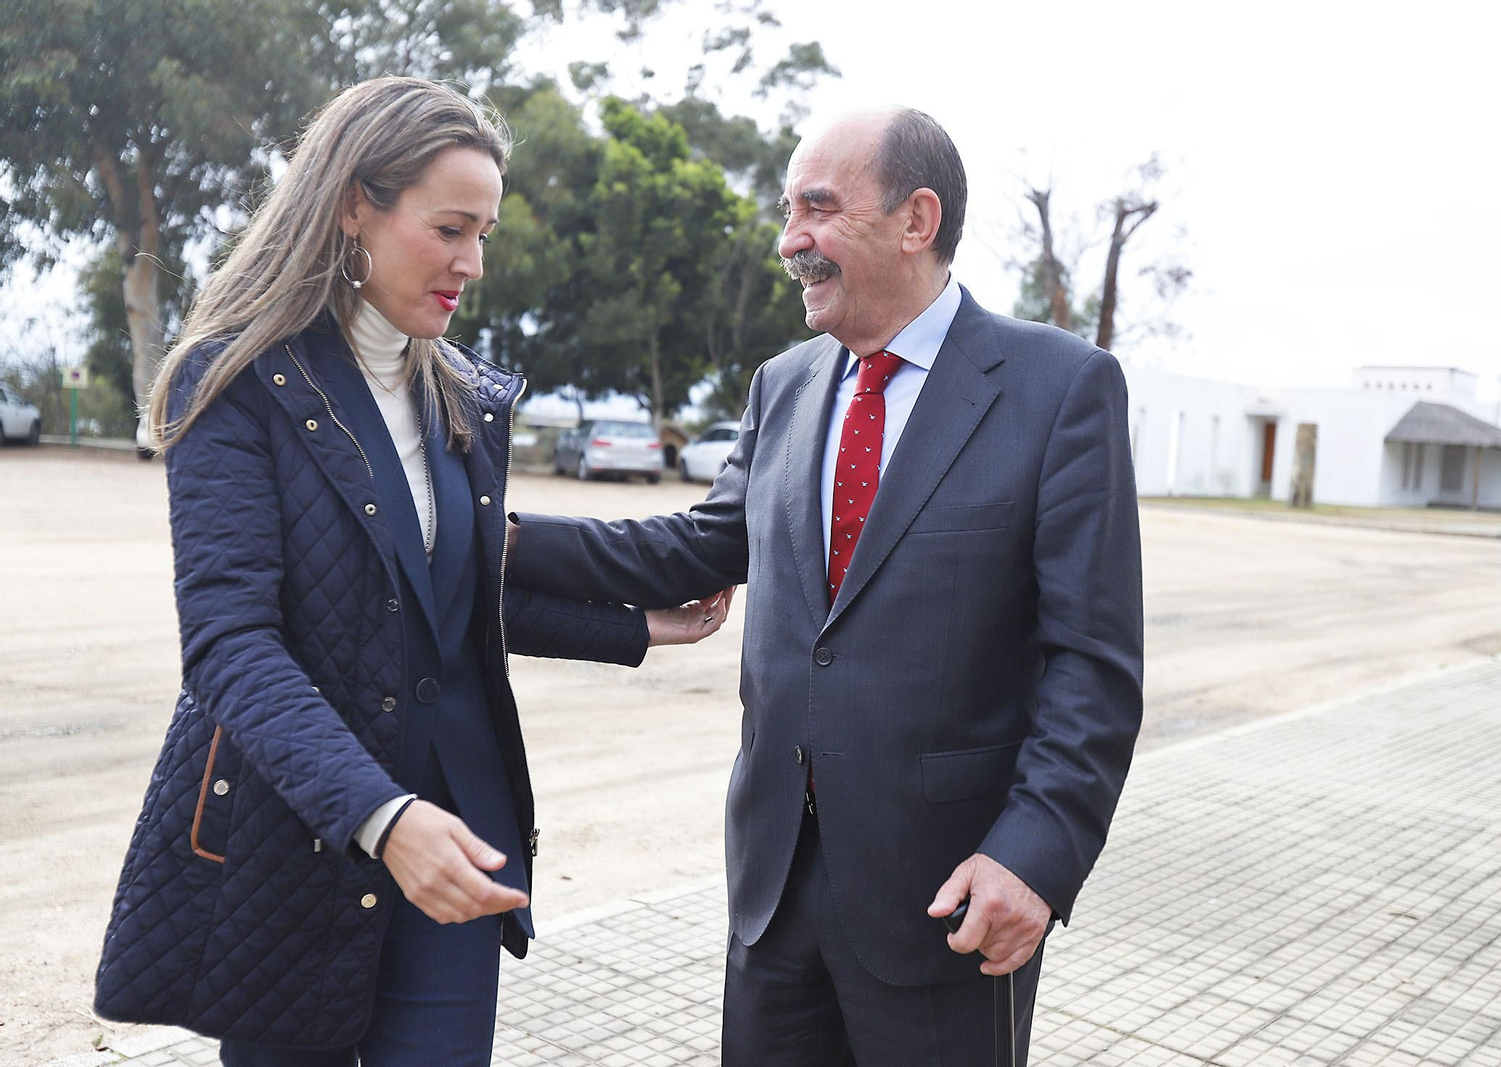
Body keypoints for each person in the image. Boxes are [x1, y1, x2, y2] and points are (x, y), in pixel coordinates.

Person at [92, 76, 731, 1066]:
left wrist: (634, 627)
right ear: (356, 205)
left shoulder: (465, 394)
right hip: (299, 837)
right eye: (450, 228)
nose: (472, 262)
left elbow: (437, 597)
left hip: (461, 831)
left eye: (484, 233)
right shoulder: (234, 382)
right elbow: (231, 643)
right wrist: (382, 817)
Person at [504, 106, 1144, 1064]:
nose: (787, 240)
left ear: (914, 220)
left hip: (949, 900)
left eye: (816, 209)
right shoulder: (786, 384)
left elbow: (1092, 665)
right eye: (787, 210)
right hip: (774, 894)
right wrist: (496, 540)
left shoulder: (1059, 389)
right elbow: (691, 549)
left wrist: (1035, 856)